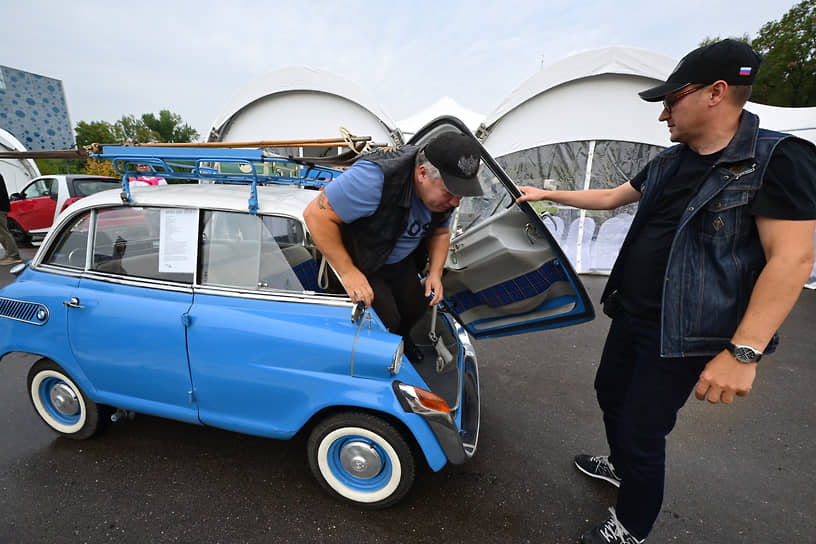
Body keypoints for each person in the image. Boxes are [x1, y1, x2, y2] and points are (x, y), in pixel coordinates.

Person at [517, 39, 816, 544]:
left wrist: (744, 351)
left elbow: (793, 260)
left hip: (687, 331)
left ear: (716, 92)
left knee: (642, 429)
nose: (663, 115)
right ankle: (621, 468)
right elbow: (612, 197)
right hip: (634, 314)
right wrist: (547, 193)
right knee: (608, 392)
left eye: (671, 99)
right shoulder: (670, 161)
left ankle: (631, 525)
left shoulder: (777, 159)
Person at [303, 132, 483, 359]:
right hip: (361, 257)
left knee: (417, 305)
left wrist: (435, 273)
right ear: (422, 173)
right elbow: (315, 216)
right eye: (449, 193)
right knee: (385, 318)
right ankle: (380, 357)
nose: (456, 203)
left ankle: (401, 339)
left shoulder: (446, 195)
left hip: (398, 257)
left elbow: (441, 231)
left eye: (461, 195)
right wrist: (348, 272)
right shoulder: (374, 179)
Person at [0, 173, 23, 266]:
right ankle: (10, 254)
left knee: (3, 233)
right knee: (2, 233)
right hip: (2, 207)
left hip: (0, 208)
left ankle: (13, 255)